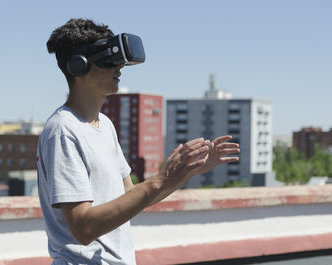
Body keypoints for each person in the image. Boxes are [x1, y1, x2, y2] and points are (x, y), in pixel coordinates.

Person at [37, 18, 240, 265]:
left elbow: (131, 198)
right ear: (78, 66)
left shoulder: (104, 125)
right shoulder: (63, 130)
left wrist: (183, 174)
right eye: (108, 60)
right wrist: (161, 179)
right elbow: (83, 227)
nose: (119, 68)